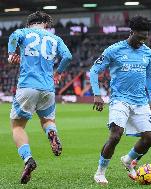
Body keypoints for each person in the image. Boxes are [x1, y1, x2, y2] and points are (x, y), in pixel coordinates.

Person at [90, 16, 151, 185]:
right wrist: (97, 94)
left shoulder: (147, 52)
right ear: (131, 32)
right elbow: (94, 70)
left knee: (150, 138)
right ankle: (100, 172)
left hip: (141, 101)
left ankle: (128, 160)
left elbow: (149, 76)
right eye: (139, 36)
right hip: (120, 99)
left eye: (145, 37)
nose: (142, 40)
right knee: (115, 136)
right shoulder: (114, 50)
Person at [7, 11, 72, 184]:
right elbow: (68, 56)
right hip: (48, 89)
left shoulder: (24, 32)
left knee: (17, 126)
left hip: (28, 86)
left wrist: (10, 52)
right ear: (45, 24)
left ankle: (28, 159)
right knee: (47, 120)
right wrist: (57, 73)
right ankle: (52, 134)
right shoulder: (55, 38)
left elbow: (14, 36)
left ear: (29, 24)